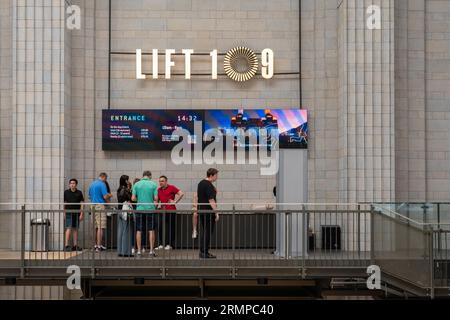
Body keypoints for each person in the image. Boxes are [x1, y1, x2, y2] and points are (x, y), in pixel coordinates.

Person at [132, 171, 158, 257]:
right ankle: (151, 250)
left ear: (143, 176)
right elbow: (155, 198)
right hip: (150, 209)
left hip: (139, 209)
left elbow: (133, 198)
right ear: (150, 176)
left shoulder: (136, 184)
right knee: (151, 230)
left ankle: (139, 251)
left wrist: (140, 200)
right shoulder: (153, 184)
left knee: (138, 230)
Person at [157, 176, 184, 250]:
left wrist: (175, 202)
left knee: (171, 228)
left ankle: (170, 244)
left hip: (171, 210)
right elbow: (157, 200)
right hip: (162, 211)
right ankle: (161, 244)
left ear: (166, 181)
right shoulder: (158, 190)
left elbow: (181, 193)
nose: (160, 183)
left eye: (162, 181)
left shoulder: (171, 187)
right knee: (160, 227)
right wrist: (157, 205)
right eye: (160, 181)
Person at [197, 168, 219, 259]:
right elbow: (211, 200)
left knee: (205, 231)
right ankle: (204, 252)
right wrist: (216, 212)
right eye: (216, 175)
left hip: (201, 210)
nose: (217, 177)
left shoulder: (201, 183)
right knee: (208, 232)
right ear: (211, 175)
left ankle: (203, 251)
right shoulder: (208, 185)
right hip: (208, 211)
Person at [88, 172, 112, 252]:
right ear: (104, 177)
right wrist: (110, 195)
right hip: (100, 206)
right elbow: (105, 196)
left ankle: (94, 245)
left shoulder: (92, 184)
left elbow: (89, 196)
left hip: (92, 205)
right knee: (101, 227)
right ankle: (98, 246)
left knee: (94, 227)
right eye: (106, 179)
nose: (105, 180)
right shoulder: (102, 184)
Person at [63, 179, 84, 252]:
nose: (72, 184)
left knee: (75, 229)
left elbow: (82, 203)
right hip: (69, 212)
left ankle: (75, 245)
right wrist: (64, 213)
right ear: (69, 184)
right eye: (71, 183)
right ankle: (66, 245)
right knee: (69, 228)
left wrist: (81, 213)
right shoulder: (66, 192)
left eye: (73, 183)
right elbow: (64, 203)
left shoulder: (79, 192)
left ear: (76, 184)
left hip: (77, 213)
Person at [117, 175, 133, 257]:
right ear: (126, 181)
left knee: (121, 231)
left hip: (120, 210)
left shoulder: (119, 189)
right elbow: (131, 199)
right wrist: (130, 189)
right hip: (126, 211)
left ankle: (120, 251)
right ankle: (126, 252)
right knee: (127, 231)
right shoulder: (125, 190)